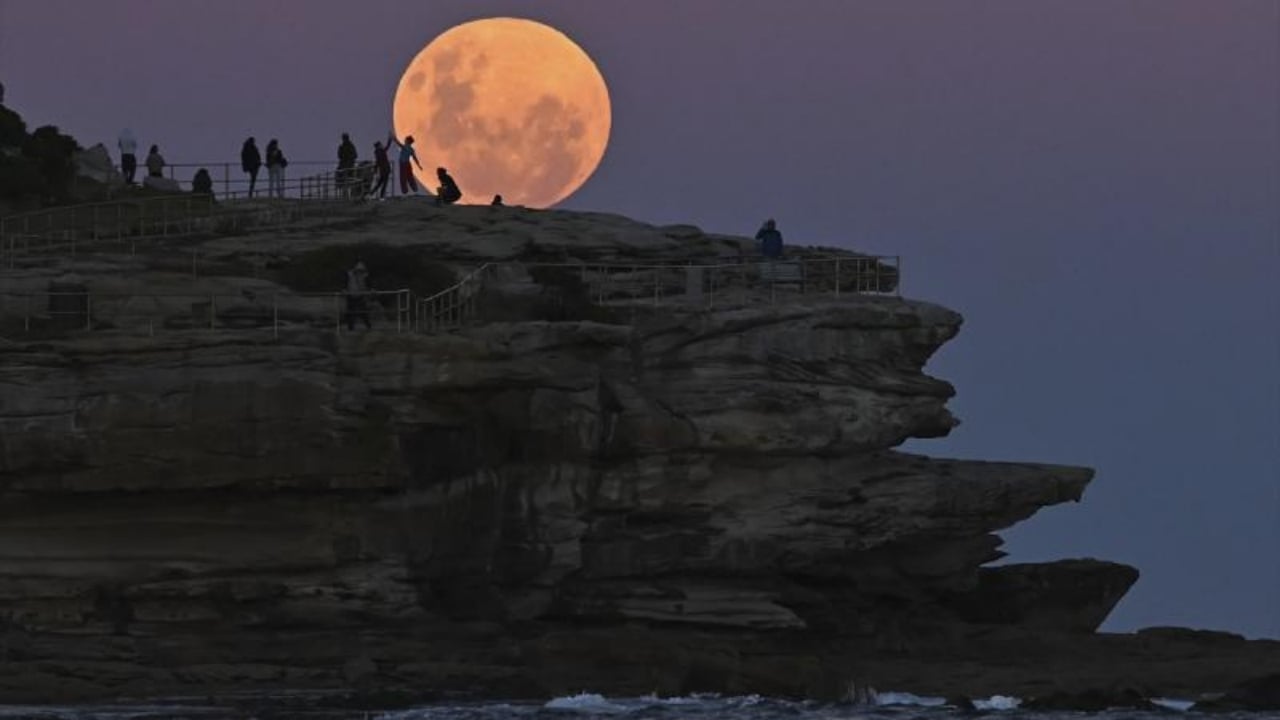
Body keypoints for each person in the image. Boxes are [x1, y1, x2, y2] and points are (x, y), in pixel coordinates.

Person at [344, 260, 372, 331]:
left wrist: (371, 289)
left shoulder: (365, 276)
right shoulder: (349, 274)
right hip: (351, 295)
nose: (359, 272)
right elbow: (344, 283)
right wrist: (344, 289)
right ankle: (350, 328)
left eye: (361, 270)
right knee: (350, 312)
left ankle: (368, 326)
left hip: (360, 295)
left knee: (363, 312)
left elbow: (369, 284)